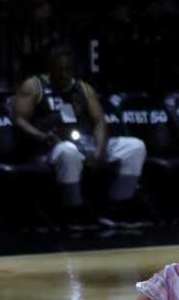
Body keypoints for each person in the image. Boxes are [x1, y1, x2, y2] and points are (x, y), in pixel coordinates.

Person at [11, 43, 147, 228]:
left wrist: (99, 150)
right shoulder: (34, 86)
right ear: (50, 68)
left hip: (84, 142)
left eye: (68, 69)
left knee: (135, 146)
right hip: (50, 146)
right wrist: (42, 136)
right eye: (59, 69)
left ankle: (118, 208)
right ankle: (73, 212)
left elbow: (100, 122)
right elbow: (19, 119)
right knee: (68, 151)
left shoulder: (83, 88)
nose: (64, 73)